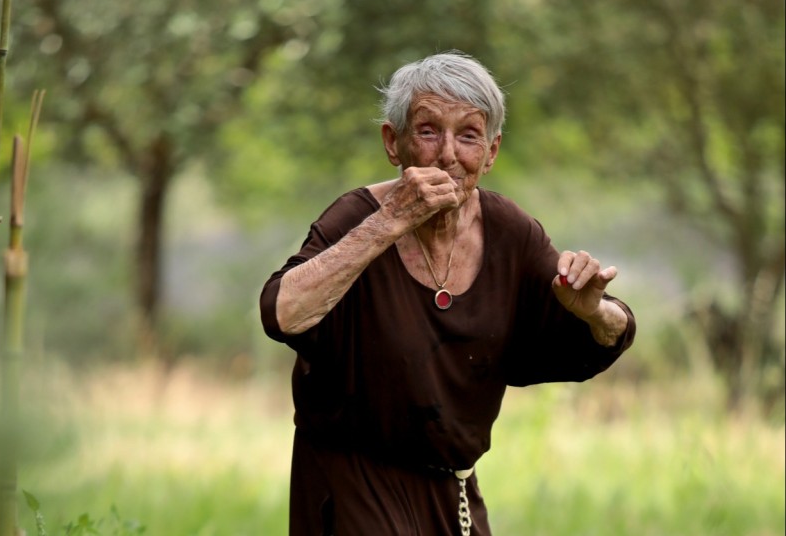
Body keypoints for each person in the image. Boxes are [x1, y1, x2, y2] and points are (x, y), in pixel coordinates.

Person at [259, 50, 636, 536]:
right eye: (428, 130)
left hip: (453, 490)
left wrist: (593, 312)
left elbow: (610, 330)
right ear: (393, 144)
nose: (448, 155)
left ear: (492, 152)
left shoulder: (509, 232)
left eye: (468, 135)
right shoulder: (356, 218)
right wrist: (390, 222)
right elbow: (282, 312)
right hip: (353, 484)